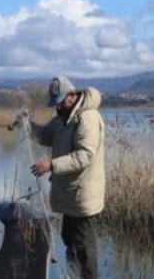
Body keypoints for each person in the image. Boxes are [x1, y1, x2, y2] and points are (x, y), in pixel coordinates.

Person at [27, 76, 105, 279]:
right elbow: (45, 135)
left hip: (83, 198)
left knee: (84, 250)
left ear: (72, 95)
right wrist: (27, 124)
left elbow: (85, 155)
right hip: (70, 197)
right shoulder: (63, 117)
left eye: (61, 102)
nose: (58, 107)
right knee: (69, 241)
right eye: (56, 103)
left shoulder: (88, 117)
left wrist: (52, 165)